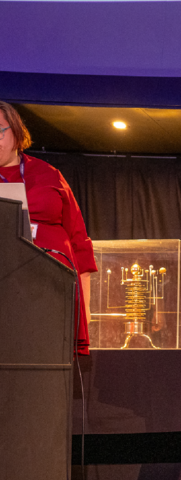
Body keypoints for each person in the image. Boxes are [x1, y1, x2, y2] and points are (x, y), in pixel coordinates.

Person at [0, 101, 97, 355]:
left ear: (17, 131)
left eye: (0, 131)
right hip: (9, 292)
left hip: (54, 287)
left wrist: (84, 309)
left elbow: (79, 241)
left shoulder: (48, 174)